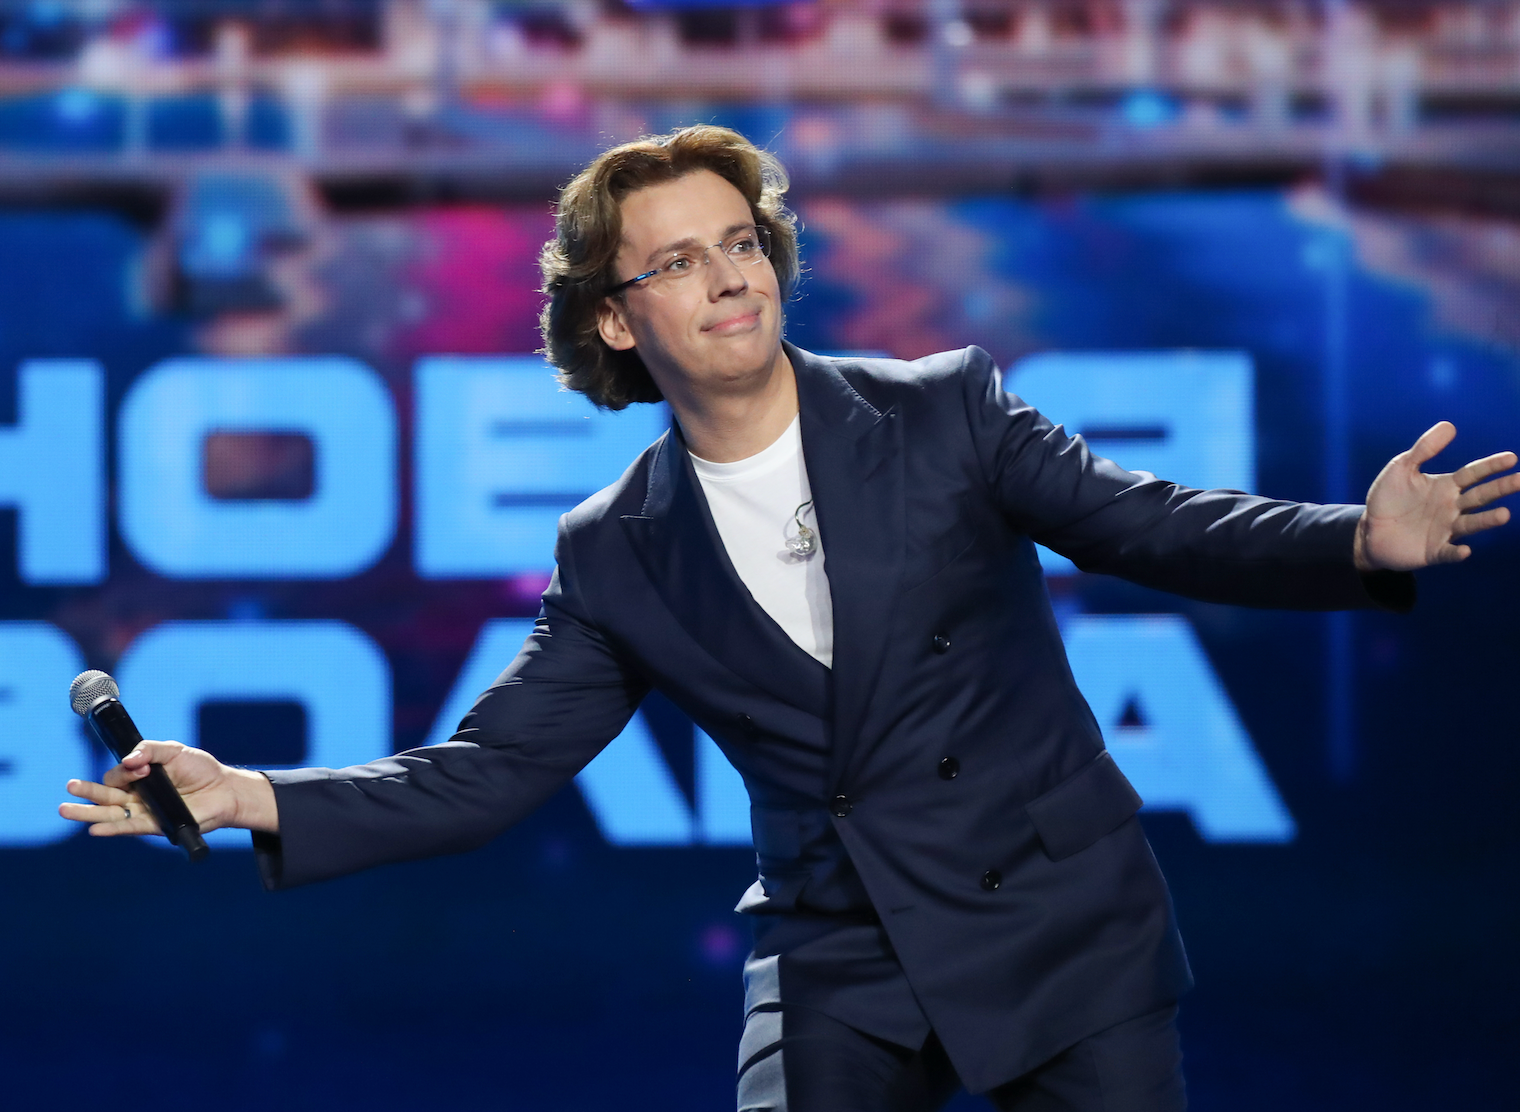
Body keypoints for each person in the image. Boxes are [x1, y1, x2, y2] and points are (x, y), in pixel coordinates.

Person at [60, 127, 1517, 1111]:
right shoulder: (616, 552)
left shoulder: (944, 409)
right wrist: (249, 793)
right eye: (675, 261)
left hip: (1058, 920)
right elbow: (485, 773)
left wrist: (1356, 539)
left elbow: (1156, 523)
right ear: (616, 320)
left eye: (737, 239)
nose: (727, 275)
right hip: (842, 953)